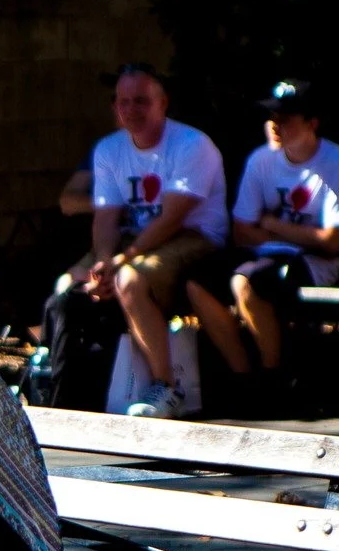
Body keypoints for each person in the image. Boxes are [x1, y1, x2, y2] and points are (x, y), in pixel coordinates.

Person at [41, 64, 227, 419]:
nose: (132, 110)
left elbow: (172, 217)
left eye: (141, 101)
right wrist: (102, 262)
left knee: (130, 280)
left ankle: (165, 387)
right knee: (69, 284)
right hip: (135, 240)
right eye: (124, 102)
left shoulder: (192, 144)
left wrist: (121, 262)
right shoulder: (109, 150)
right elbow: (106, 215)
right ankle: (58, 383)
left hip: (193, 236)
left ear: (163, 103)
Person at [186, 81, 339, 396]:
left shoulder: (337, 163)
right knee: (198, 282)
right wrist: (301, 234)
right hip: (263, 252)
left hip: (315, 263)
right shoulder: (261, 160)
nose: (276, 126)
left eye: (287, 119)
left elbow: (333, 241)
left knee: (246, 282)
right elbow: (241, 231)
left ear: (312, 124)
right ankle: (244, 376)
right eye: (272, 118)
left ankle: (272, 379)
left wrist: (270, 224)